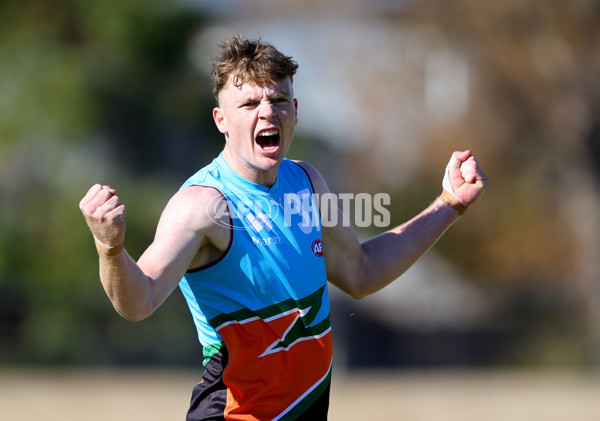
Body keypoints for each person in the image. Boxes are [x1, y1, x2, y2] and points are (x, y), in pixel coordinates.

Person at [79, 36, 488, 421]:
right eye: (249, 103)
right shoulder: (202, 205)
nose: (267, 112)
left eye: (278, 99)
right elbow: (139, 301)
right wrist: (109, 247)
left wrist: (448, 203)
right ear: (220, 119)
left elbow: (362, 272)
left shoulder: (307, 183)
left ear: (296, 109)